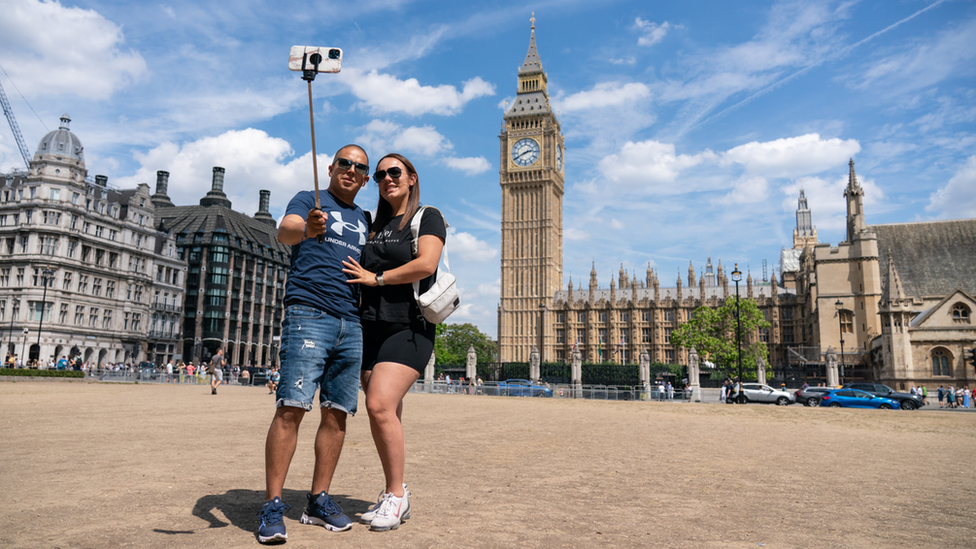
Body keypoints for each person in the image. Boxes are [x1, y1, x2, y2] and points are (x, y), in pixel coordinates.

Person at [256, 145, 371, 544]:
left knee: (336, 414)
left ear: (365, 178)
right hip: (310, 314)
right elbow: (283, 231)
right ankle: (272, 505)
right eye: (345, 163)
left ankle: (318, 499)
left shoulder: (365, 219)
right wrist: (308, 228)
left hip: (351, 323)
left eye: (359, 167)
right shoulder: (310, 201)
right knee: (292, 407)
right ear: (332, 167)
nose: (351, 170)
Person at [342, 153, 446, 532]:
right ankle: (393, 491)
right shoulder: (373, 224)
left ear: (412, 178)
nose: (388, 178)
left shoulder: (426, 216)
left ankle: (397, 496)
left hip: (410, 325)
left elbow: (426, 264)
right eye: (381, 174)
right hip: (370, 326)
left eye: (395, 172)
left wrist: (377, 279)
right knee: (386, 412)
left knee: (378, 404)